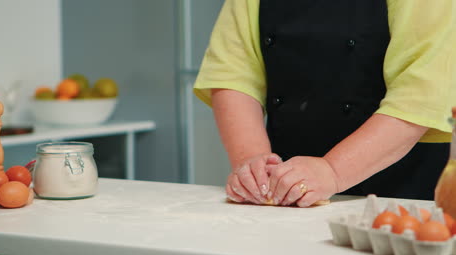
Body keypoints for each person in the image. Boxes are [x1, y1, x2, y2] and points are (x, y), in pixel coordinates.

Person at [193, 0, 456, 207]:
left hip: (399, 191)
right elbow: (232, 75)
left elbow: (420, 97)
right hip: (287, 190)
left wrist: (332, 171)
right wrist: (253, 163)